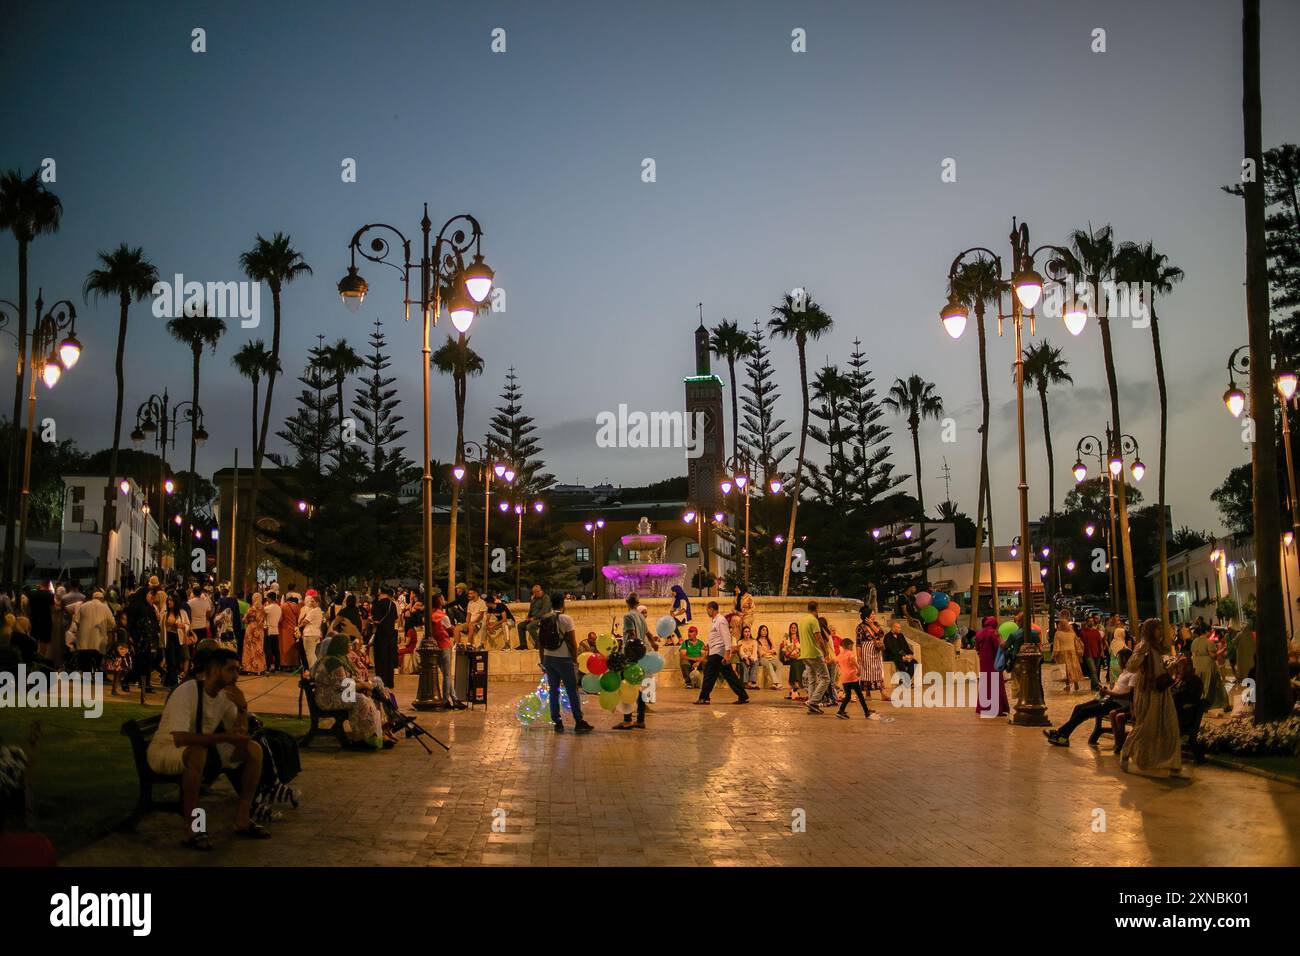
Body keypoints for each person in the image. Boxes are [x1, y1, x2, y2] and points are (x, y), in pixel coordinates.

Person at [146, 646, 270, 849]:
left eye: (237, 670)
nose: (237, 676)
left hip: (202, 748)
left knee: (253, 749)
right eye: (231, 670)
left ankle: (242, 818)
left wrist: (242, 708)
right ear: (214, 670)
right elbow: (179, 738)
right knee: (197, 754)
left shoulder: (225, 695)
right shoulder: (188, 691)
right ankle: (192, 829)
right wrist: (224, 737)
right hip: (166, 749)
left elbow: (240, 736)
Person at [1121, 619, 1182, 777]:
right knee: (1144, 725)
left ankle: (1172, 762)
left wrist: (1173, 666)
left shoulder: (1158, 648)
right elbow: (1131, 666)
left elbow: (1159, 668)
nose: (1160, 632)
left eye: (1161, 629)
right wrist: (1141, 652)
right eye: (1157, 629)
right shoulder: (1144, 646)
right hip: (1148, 691)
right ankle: (1126, 752)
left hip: (1161, 691)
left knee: (1169, 724)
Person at [1043, 647, 1135, 747]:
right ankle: (1063, 735)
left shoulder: (1133, 674)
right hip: (1111, 699)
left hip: (1118, 704)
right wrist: (1107, 692)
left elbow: (1130, 694)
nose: (1118, 663)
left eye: (1120, 660)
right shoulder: (1125, 672)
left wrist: (1109, 693)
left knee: (1085, 711)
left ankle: (1061, 734)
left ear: (1125, 659)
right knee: (1078, 707)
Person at [311, 633, 389, 750]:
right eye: (348, 645)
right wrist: (363, 685)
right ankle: (362, 737)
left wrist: (364, 685)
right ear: (340, 646)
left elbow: (349, 679)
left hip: (338, 694)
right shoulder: (332, 662)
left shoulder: (341, 659)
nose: (350, 647)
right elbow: (344, 684)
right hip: (329, 698)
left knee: (370, 694)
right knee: (360, 699)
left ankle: (377, 733)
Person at [538, 592, 594, 734]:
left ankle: (557, 722)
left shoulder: (544, 619)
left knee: (553, 691)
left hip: (549, 658)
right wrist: (575, 660)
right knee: (572, 690)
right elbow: (573, 643)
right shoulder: (566, 619)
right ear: (563, 604)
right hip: (564, 659)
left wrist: (543, 660)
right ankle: (579, 721)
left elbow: (540, 642)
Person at [696, 601, 750, 705]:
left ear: (712, 609)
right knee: (729, 675)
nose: (707, 611)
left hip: (718, 653)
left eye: (707, 609)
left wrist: (727, 653)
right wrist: (708, 645)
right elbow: (717, 637)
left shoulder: (720, 620)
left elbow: (726, 637)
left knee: (709, 675)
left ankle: (704, 698)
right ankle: (743, 696)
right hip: (716, 651)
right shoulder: (716, 621)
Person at [615, 593, 653, 729]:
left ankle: (627, 719)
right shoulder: (641, 616)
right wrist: (653, 644)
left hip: (631, 654)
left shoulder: (628, 616)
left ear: (627, 602)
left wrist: (633, 651)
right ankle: (641, 719)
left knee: (626, 685)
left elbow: (632, 634)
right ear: (637, 603)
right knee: (639, 686)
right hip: (641, 653)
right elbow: (648, 633)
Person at [428, 595, 465, 710]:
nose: (444, 600)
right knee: (447, 675)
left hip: (435, 647)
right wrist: (452, 629)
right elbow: (451, 632)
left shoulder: (431, 615)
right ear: (439, 602)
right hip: (444, 645)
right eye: (442, 599)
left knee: (445, 674)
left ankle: (454, 699)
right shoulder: (444, 617)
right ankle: (445, 700)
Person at [796, 600, 830, 715]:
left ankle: (811, 706)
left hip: (804, 654)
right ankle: (813, 702)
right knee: (825, 678)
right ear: (816, 608)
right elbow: (819, 638)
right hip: (814, 653)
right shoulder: (813, 620)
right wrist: (825, 653)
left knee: (812, 679)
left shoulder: (801, 621)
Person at [68, 588, 114, 672]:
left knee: (85, 662)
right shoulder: (105, 607)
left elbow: (76, 621)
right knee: (98, 662)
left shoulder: (83, 606)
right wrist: (107, 629)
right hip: (98, 640)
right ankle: (97, 680)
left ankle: (86, 680)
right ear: (102, 598)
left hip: (84, 641)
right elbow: (112, 622)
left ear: (93, 598)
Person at [973, 615, 1009, 718]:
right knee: (996, 683)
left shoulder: (980, 632)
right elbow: (998, 647)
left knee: (986, 683)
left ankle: (983, 707)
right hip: (994, 661)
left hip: (984, 661)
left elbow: (976, 647)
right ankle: (996, 709)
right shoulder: (993, 633)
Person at [835, 636, 876, 719]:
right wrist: (859, 670)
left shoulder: (839, 655)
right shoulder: (850, 653)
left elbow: (836, 663)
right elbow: (854, 662)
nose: (852, 647)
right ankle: (866, 712)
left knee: (848, 696)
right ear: (849, 645)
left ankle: (840, 711)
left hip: (844, 678)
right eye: (852, 645)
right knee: (860, 695)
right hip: (852, 677)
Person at [1190, 625, 1228, 713]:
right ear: (1206, 631)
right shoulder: (1208, 642)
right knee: (1213, 686)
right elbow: (1213, 656)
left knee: (1201, 686)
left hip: (1197, 665)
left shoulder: (1194, 642)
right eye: (1210, 631)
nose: (1211, 633)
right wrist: (1223, 650)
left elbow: (1193, 655)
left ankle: (1201, 705)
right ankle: (1215, 705)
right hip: (1208, 666)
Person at [369, 586, 398, 688]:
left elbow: (375, 620)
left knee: (380, 658)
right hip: (391, 635)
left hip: (380, 635)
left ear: (381, 592)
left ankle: (381, 682)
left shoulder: (378, 604)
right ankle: (390, 682)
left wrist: (372, 621)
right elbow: (395, 619)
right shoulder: (392, 604)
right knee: (389, 658)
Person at [856, 611, 888, 701]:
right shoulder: (860, 627)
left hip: (876, 650)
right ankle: (867, 693)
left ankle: (883, 693)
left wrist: (872, 625)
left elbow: (881, 634)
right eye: (872, 614)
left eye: (874, 614)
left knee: (878, 671)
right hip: (866, 650)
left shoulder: (876, 624)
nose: (874, 615)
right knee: (867, 672)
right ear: (867, 616)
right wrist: (858, 655)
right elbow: (858, 643)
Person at [1053, 609, 1084, 694]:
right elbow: (1076, 643)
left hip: (1063, 653)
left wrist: (1054, 654)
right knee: (1073, 668)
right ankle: (1076, 683)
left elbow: (1056, 645)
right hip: (1072, 652)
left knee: (1065, 669)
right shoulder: (1072, 633)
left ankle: (1067, 685)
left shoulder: (1058, 634)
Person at [517, 584, 551, 650]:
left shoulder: (546, 598)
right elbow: (531, 609)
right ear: (534, 593)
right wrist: (528, 616)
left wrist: (534, 618)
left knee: (530, 626)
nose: (539, 592)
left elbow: (545, 611)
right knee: (520, 626)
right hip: (532, 618)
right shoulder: (534, 599)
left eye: (539, 591)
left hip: (542, 619)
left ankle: (539, 644)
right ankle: (523, 645)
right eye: (537, 592)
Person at [882, 619, 915, 684]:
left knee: (914, 662)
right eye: (898, 628)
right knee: (899, 660)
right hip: (892, 656)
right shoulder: (887, 637)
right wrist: (902, 657)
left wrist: (910, 654)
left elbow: (906, 646)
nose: (900, 629)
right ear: (893, 628)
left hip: (903, 655)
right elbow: (890, 650)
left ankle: (905, 679)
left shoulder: (901, 635)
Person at [241, 593, 267, 675]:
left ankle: (250, 669)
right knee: (259, 649)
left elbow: (245, 620)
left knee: (249, 648)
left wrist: (246, 620)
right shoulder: (263, 609)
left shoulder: (251, 609)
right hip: (260, 630)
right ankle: (260, 668)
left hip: (251, 630)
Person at [1079, 614, 1106, 690]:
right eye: (1089, 621)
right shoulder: (1083, 632)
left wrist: (1102, 651)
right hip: (1088, 654)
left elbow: (1100, 642)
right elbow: (1080, 643)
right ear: (1087, 623)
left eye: (1092, 621)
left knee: (1095, 671)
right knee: (1093, 670)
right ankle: (1097, 685)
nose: (1091, 622)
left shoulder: (1096, 632)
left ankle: (1093, 687)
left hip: (1097, 653)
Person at [781, 623, 805, 700]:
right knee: (794, 663)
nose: (793, 629)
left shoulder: (800, 638)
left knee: (800, 662)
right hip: (789, 657)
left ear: (797, 629)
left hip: (799, 656)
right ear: (790, 628)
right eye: (792, 627)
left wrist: (799, 655)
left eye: (795, 628)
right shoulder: (786, 638)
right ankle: (795, 682)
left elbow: (804, 648)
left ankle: (800, 682)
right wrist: (790, 654)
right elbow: (783, 650)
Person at [756, 624, 781, 689]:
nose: (765, 632)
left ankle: (775, 684)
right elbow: (761, 653)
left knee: (780, 664)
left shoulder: (769, 640)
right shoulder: (757, 641)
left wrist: (769, 652)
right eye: (763, 630)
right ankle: (776, 682)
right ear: (759, 631)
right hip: (762, 659)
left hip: (771, 658)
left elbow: (774, 650)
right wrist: (770, 651)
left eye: (766, 630)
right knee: (769, 664)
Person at [262, 593, 282, 671]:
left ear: (270, 598)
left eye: (267, 598)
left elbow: (262, 616)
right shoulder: (279, 608)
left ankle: (268, 666)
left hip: (268, 630)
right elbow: (280, 619)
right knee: (276, 650)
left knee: (268, 650)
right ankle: (277, 666)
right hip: (276, 630)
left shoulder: (267, 608)